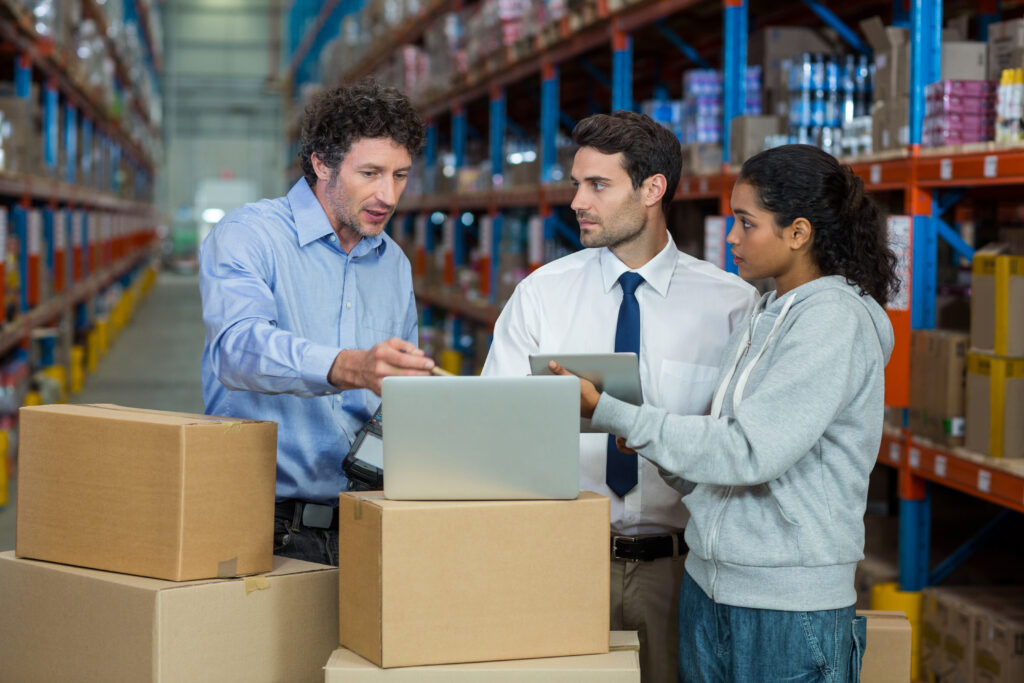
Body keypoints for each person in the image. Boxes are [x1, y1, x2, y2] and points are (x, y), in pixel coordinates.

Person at [552, 144, 898, 682]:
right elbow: (725, 457)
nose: (732, 237)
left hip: (788, 609)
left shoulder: (834, 321)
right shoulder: (764, 311)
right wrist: (657, 449)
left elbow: (750, 452)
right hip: (712, 588)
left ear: (798, 233)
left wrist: (615, 413)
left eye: (746, 223)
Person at [482, 111, 757, 682]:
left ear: (652, 189)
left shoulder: (731, 305)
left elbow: (739, 448)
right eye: (576, 184)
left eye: (598, 185)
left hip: (682, 573)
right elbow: (495, 431)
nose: (577, 202)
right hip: (562, 560)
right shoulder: (542, 296)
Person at [199, 80, 436, 567]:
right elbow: (236, 350)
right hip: (266, 525)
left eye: (400, 175)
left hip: (365, 521)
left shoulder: (393, 262)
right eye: (370, 173)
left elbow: (398, 397)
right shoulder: (250, 235)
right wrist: (349, 366)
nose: (388, 195)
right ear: (322, 163)